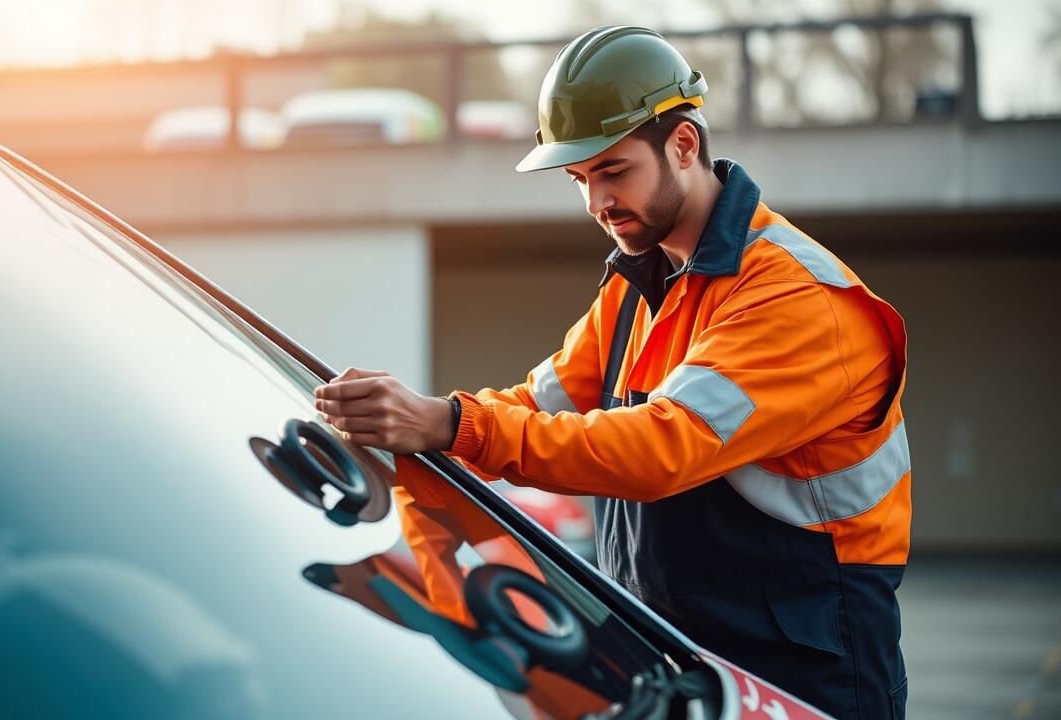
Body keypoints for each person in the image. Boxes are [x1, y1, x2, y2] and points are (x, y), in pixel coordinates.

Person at [315, 25, 911, 719]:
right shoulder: (638, 286)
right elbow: (540, 404)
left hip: (802, 681)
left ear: (683, 144)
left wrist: (449, 423)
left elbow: (662, 448)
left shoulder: (797, 298)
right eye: (580, 180)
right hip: (675, 661)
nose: (596, 204)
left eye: (612, 171)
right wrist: (412, 424)